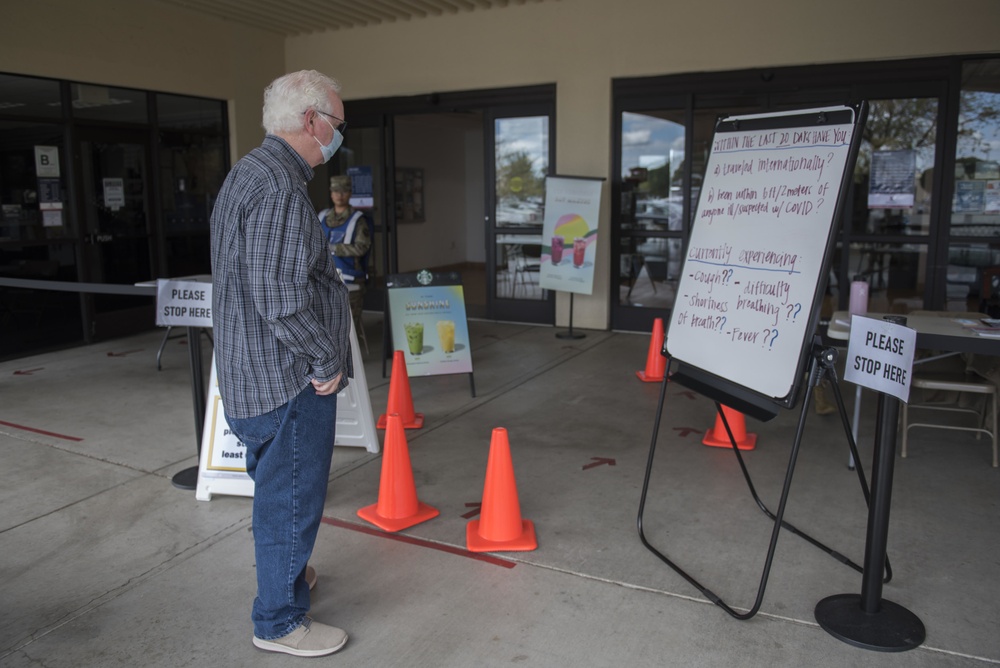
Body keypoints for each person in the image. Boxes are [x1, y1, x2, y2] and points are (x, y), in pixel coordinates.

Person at [210, 69, 352, 658]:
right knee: (289, 500)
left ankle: (287, 577)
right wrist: (325, 359)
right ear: (311, 121)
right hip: (285, 380)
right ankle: (279, 621)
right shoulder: (279, 190)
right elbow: (280, 299)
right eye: (337, 126)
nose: (339, 137)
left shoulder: (250, 173)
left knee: (276, 491)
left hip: (252, 373)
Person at [317, 174, 371, 324]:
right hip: (324, 280)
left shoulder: (358, 219)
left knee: (349, 327)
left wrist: (333, 248)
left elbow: (362, 248)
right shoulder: (322, 217)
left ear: (350, 193)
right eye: (336, 191)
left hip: (351, 281)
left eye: (343, 191)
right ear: (331, 192)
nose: (339, 195)